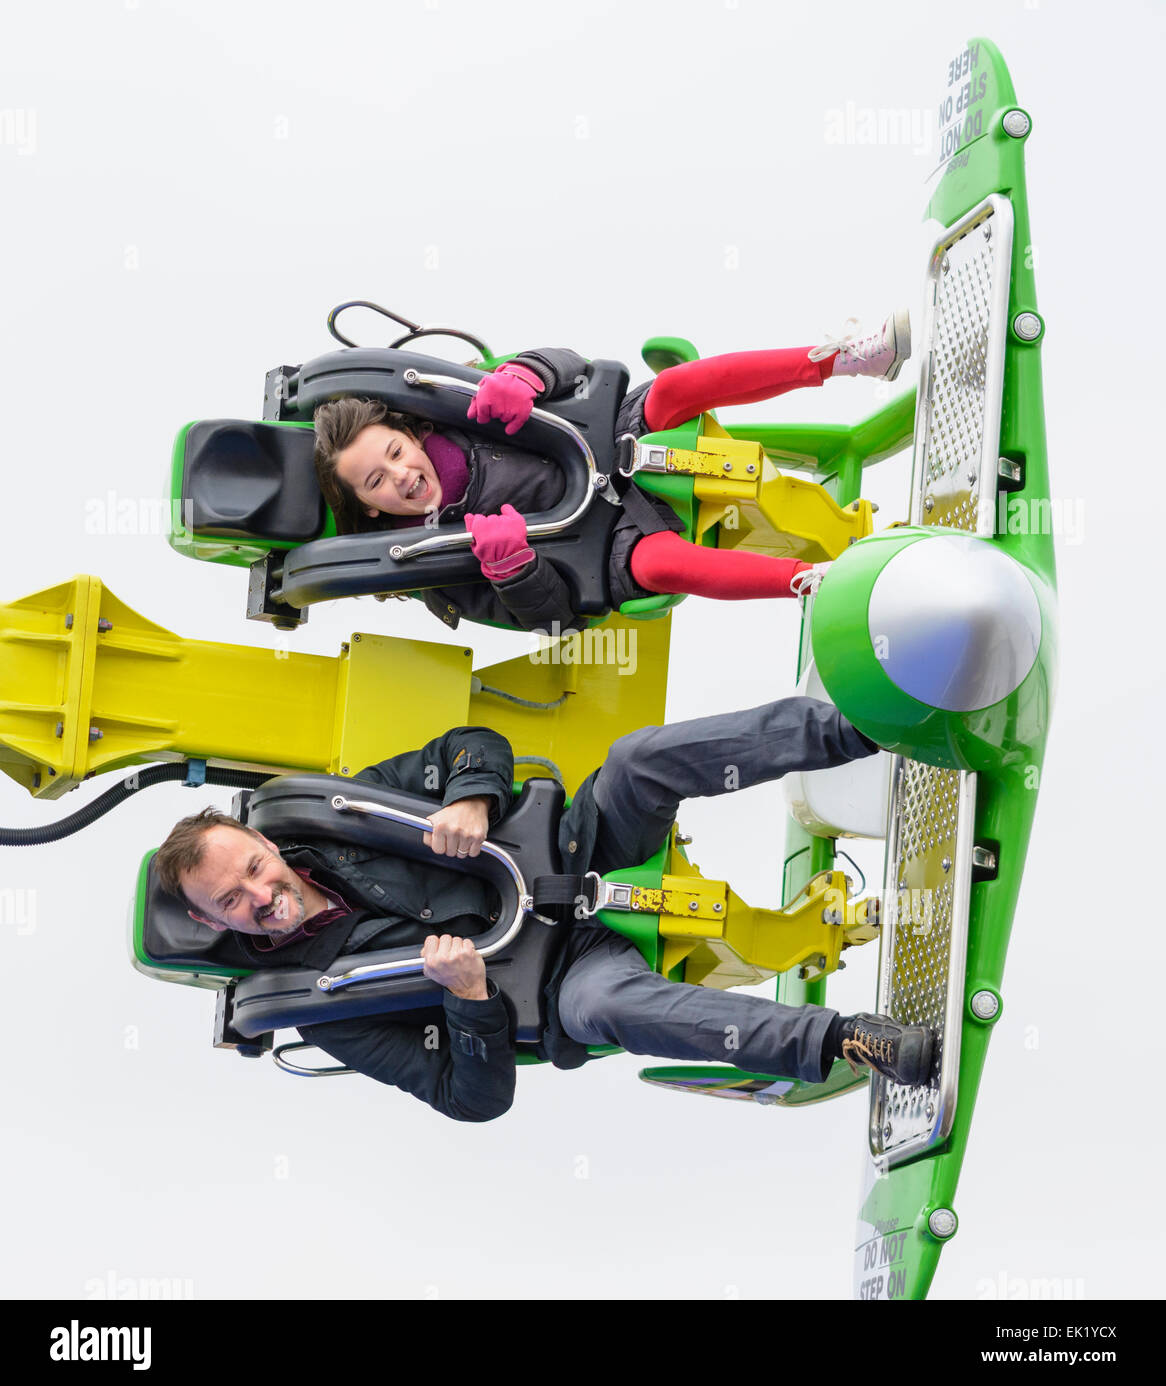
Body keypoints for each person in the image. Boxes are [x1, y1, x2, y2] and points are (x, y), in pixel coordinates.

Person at [154, 696, 934, 1122]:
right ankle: (845, 1038)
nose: (262, 895)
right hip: (561, 979)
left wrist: (470, 797)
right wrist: (468, 1001)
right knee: (611, 1006)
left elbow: (470, 744)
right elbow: (471, 1099)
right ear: (213, 923)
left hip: (574, 851)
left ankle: (863, 726)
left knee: (635, 761)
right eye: (233, 901)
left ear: (265, 844)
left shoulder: (337, 817)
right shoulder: (323, 1007)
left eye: (253, 868)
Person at [312, 313, 909, 632]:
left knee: (673, 387)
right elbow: (549, 620)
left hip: (614, 435)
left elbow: (570, 366)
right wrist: (513, 570)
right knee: (660, 564)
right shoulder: (435, 567)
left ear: (411, 434)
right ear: (369, 508)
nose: (400, 475)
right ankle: (813, 581)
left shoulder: (460, 408)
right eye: (376, 482)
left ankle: (845, 358)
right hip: (605, 543)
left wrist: (526, 375)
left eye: (395, 452)